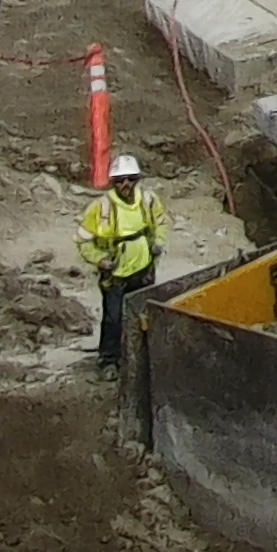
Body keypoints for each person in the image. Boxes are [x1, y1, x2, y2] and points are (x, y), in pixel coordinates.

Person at [81, 165, 165, 407]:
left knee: (142, 318)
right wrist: (100, 259)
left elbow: (161, 222)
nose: (126, 184)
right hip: (115, 274)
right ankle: (109, 361)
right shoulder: (100, 209)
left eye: (130, 179)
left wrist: (158, 243)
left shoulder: (148, 201)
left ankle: (141, 361)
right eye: (120, 180)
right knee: (114, 318)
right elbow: (83, 239)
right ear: (113, 183)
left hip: (143, 271)